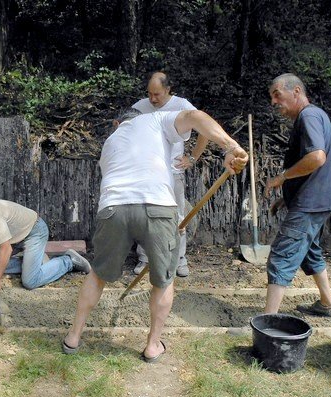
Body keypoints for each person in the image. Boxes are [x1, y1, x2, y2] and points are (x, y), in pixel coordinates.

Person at [62, 108, 247, 362]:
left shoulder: (110, 143)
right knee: (163, 281)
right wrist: (230, 146)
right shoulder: (155, 118)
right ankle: (152, 345)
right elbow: (195, 116)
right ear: (138, 116)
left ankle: (73, 337)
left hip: (113, 208)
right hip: (158, 207)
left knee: (98, 274)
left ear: (118, 123)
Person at [264, 73, 331, 318]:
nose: (274, 102)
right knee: (310, 251)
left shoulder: (308, 116)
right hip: (314, 200)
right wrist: (287, 197)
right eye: (271, 97)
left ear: (296, 91)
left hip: (311, 202)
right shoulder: (314, 116)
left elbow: (317, 157)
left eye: (277, 94)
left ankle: (267, 319)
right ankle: (327, 305)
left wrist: (283, 177)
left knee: (281, 255)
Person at [130, 72, 209, 277]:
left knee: (177, 216)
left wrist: (192, 158)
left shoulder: (183, 106)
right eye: (149, 94)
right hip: (146, 175)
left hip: (173, 172)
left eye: (157, 94)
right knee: (145, 216)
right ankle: (145, 257)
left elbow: (205, 129)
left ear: (168, 90)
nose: (152, 99)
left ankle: (179, 258)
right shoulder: (140, 107)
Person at [0, 200, 91, 296]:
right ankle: (32, 263)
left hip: (33, 231)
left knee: (30, 281)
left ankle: (68, 261)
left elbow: (6, 249)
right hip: (14, 238)